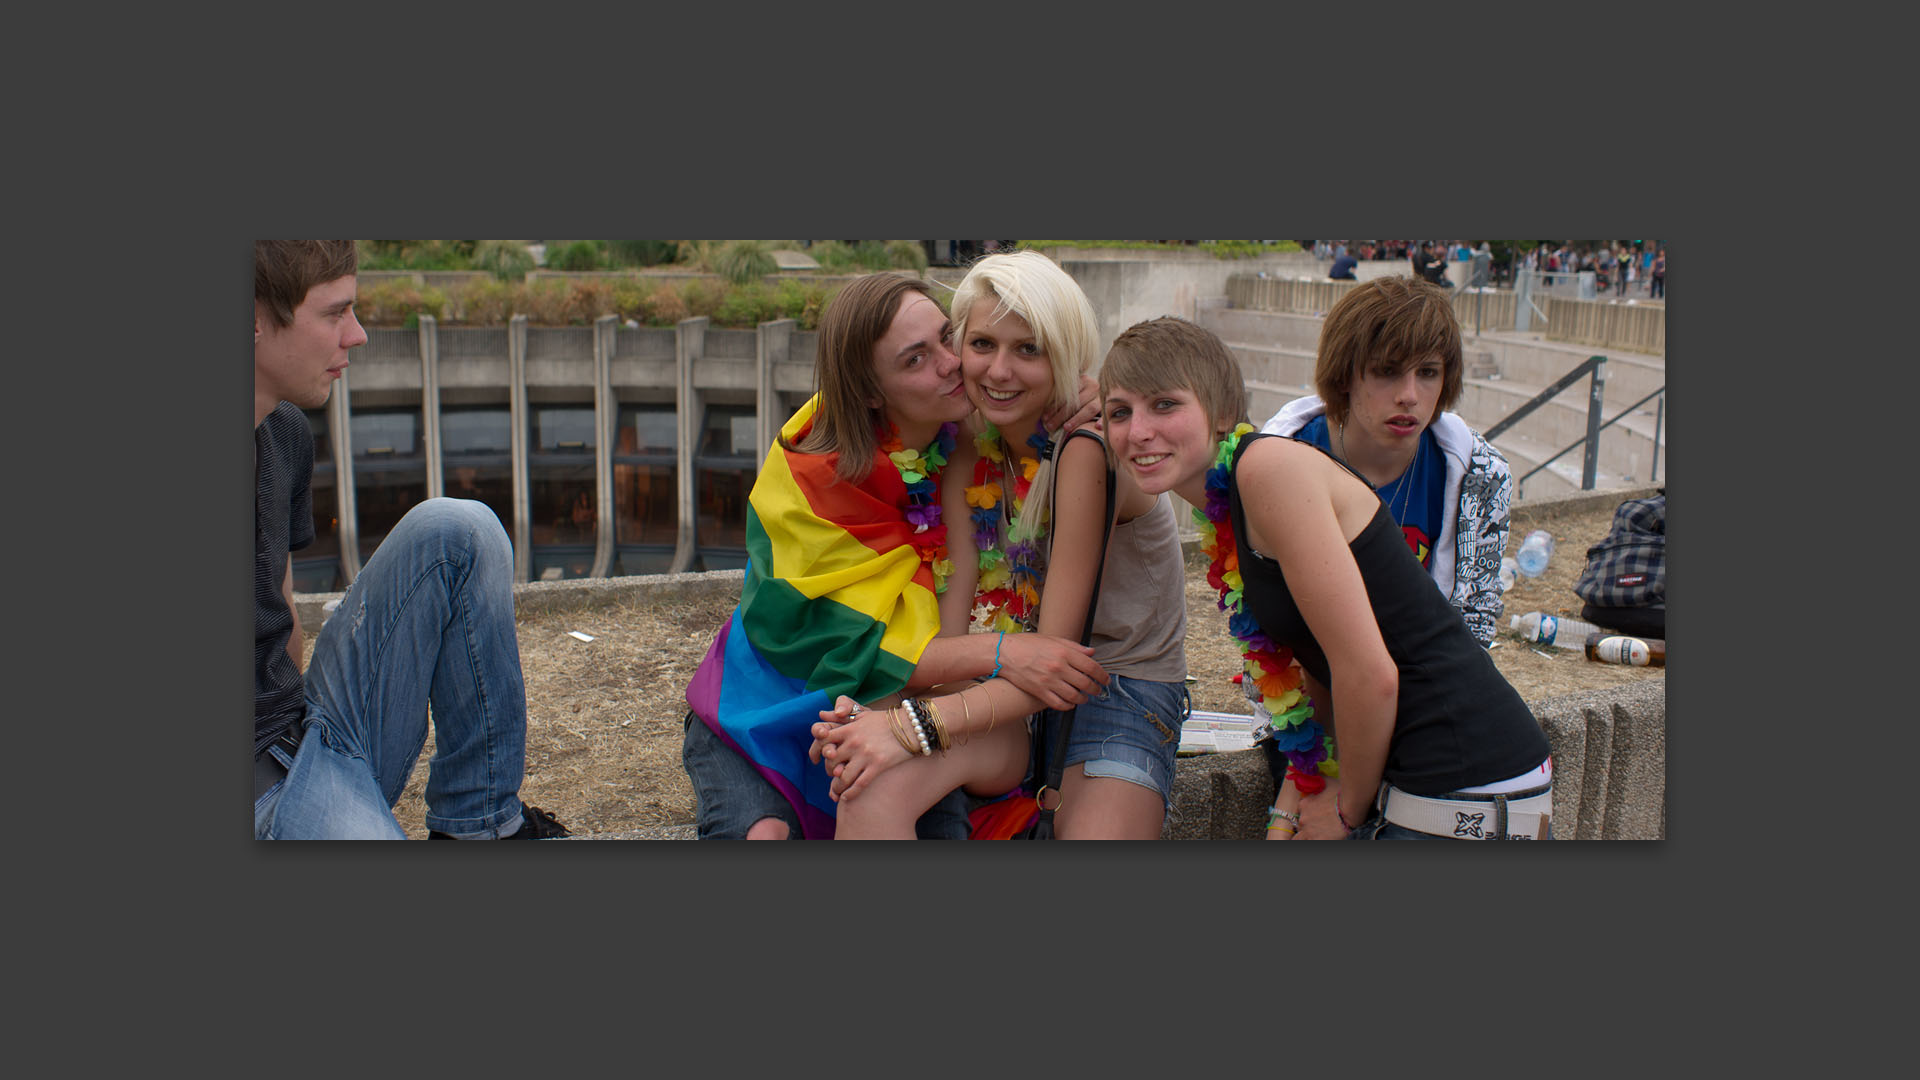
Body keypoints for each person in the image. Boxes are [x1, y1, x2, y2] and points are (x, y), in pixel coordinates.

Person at [681, 272, 1107, 839]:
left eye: (947, 337)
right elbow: (860, 647)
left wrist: (1095, 394)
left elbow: (1032, 388)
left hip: (897, 702)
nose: (953, 363)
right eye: (915, 359)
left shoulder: (961, 428)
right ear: (869, 393)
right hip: (769, 698)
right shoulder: (813, 475)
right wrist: (1009, 651)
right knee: (762, 836)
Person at [1099, 316, 1554, 841]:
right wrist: (1290, 807)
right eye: (1119, 412)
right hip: (1435, 777)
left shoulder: (1267, 470)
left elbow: (1369, 673)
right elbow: (1321, 668)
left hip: (1463, 779)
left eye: (1164, 404)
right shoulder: (1236, 506)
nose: (1138, 431)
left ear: (1223, 413)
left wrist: (1344, 811)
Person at [810, 251, 1189, 839]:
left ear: (1064, 356)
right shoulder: (968, 444)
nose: (999, 371)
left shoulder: (1086, 446)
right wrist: (879, 714)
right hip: (1007, 685)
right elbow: (954, 632)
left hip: (1112, 691)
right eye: (983, 344)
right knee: (868, 782)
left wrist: (913, 726)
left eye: (1029, 349)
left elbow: (1059, 657)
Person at [253, 240, 570, 839]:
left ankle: (479, 826)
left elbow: (283, 614)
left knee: (459, 530)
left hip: (306, 736)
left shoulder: (285, 434)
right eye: (334, 313)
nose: (357, 335)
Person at [1258, 275, 1512, 647]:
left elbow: (1476, 619)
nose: (1409, 396)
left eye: (1427, 373)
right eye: (1386, 371)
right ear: (1345, 374)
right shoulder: (1279, 461)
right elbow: (1263, 615)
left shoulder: (1482, 476)